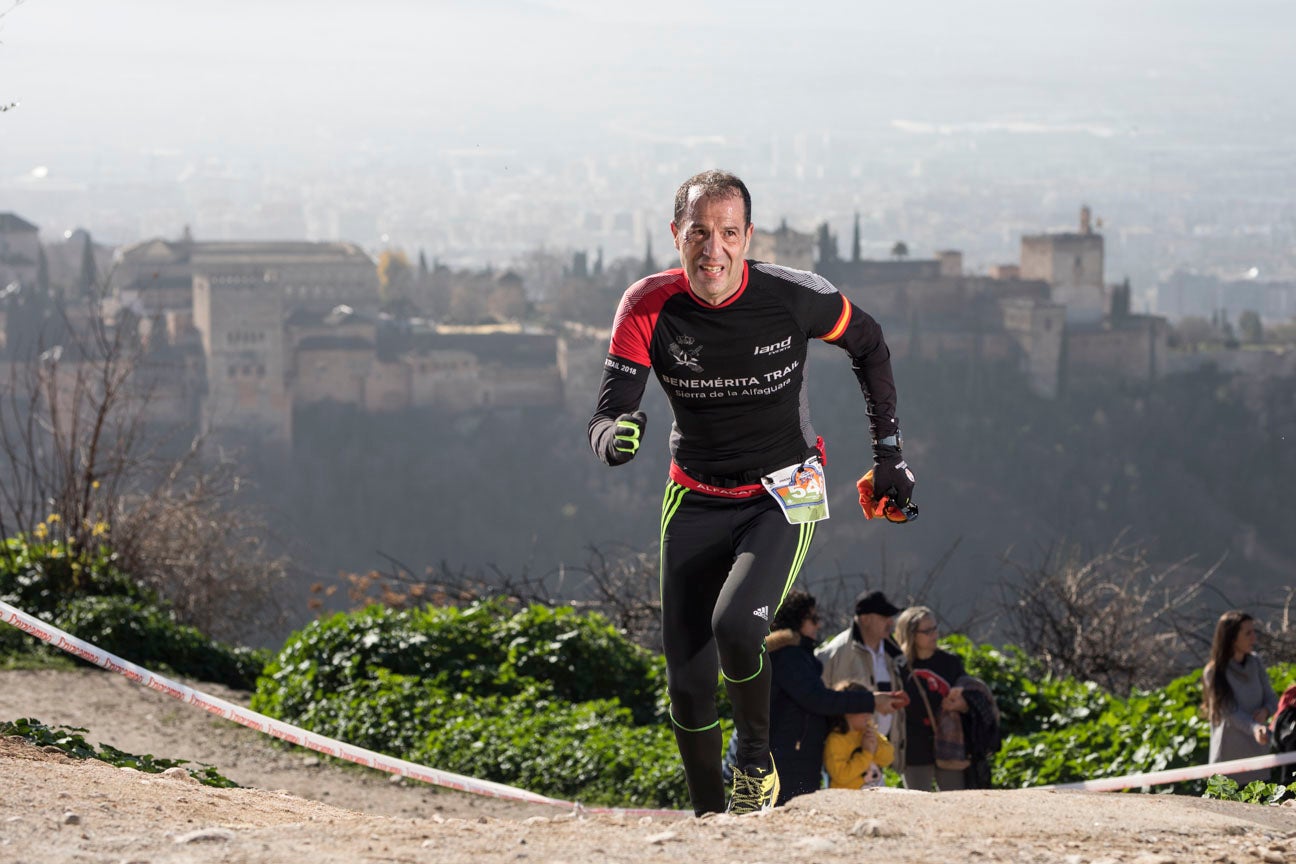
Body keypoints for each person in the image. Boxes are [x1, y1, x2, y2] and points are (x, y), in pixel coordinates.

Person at [587, 170, 915, 815]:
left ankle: (755, 763)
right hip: (695, 497)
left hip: (784, 489)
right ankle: (714, 822)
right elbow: (605, 417)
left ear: (748, 238)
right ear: (675, 235)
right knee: (686, 684)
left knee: (736, 625)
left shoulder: (793, 296)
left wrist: (889, 458)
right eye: (699, 233)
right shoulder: (647, 305)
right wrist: (615, 438)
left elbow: (870, 346)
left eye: (728, 233)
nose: (713, 249)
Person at [766, 590, 905, 804]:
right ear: (796, 621)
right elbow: (819, 699)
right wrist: (872, 700)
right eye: (813, 619)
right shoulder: (789, 657)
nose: (818, 625)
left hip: (797, 756)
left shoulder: (797, 655)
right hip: (789, 759)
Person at [816, 589, 908, 777]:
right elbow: (821, 698)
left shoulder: (893, 652)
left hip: (879, 752)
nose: (891, 622)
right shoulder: (837, 652)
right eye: (884, 616)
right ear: (865, 619)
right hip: (846, 755)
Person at [894, 605, 967, 791]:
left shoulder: (951, 663)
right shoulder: (898, 667)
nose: (934, 634)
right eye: (927, 631)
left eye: (935, 628)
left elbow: (969, 696)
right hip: (914, 748)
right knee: (918, 806)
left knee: (955, 803)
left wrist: (961, 704)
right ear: (911, 635)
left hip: (949, 746)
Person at [1202, 610, 1278, 784]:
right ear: (1231, 638)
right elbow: (1230, 712)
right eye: (1247, 633)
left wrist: (1266, 711)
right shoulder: (1213, 672)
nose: (1254, 638)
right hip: (1229, 760)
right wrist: (1254, 728)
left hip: (1258, 756)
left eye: (1254, 632)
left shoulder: (1256, 662)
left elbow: (1272, 698)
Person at [824, 682, 895, 790]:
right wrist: (866, 754)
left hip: (875, 795)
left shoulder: (868, 731)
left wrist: (875, 748)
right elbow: (841, 776)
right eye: (863, 709)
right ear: (847, 712)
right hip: (847, 800)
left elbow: (889, 758)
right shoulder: (836, 740)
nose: (868, 715)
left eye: (869, 708)